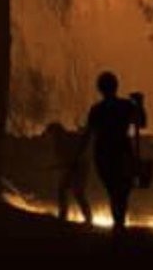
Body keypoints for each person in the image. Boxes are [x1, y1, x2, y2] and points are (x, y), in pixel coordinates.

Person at [77, 71, 145, 233]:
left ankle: (118, 223)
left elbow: (88, 134)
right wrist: (140, 104)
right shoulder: (126, 106)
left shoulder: (97, 109)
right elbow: (141, 123)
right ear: (116, 86)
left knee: (114, 190)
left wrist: (78, 154)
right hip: (121, 151)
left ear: (99, 89)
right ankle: (119, 223)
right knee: (121, 190)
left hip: (104, 153)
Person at [47, 122, 92, 225]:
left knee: (77, 193)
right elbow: (65, 159)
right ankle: (63, 215)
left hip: (80, 168)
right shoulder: (59, 142)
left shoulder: (68, 138)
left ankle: (88, 219)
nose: (51, 137)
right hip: (72, 168)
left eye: (52, 133)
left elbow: (80, 150)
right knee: (63, 190)